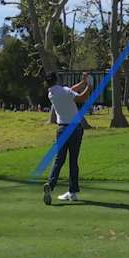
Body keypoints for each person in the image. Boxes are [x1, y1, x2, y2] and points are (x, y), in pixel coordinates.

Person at [43, 72, 92, 205]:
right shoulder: (64, 91)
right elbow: (81, 98)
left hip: (62, 129)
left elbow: (71, 90)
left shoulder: (51, 94)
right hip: (75, 128)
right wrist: (89, 86)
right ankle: (73, 192)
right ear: (57, 79)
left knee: (59, 160)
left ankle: (50, 185)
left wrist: (82, 82)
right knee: (73, 161)